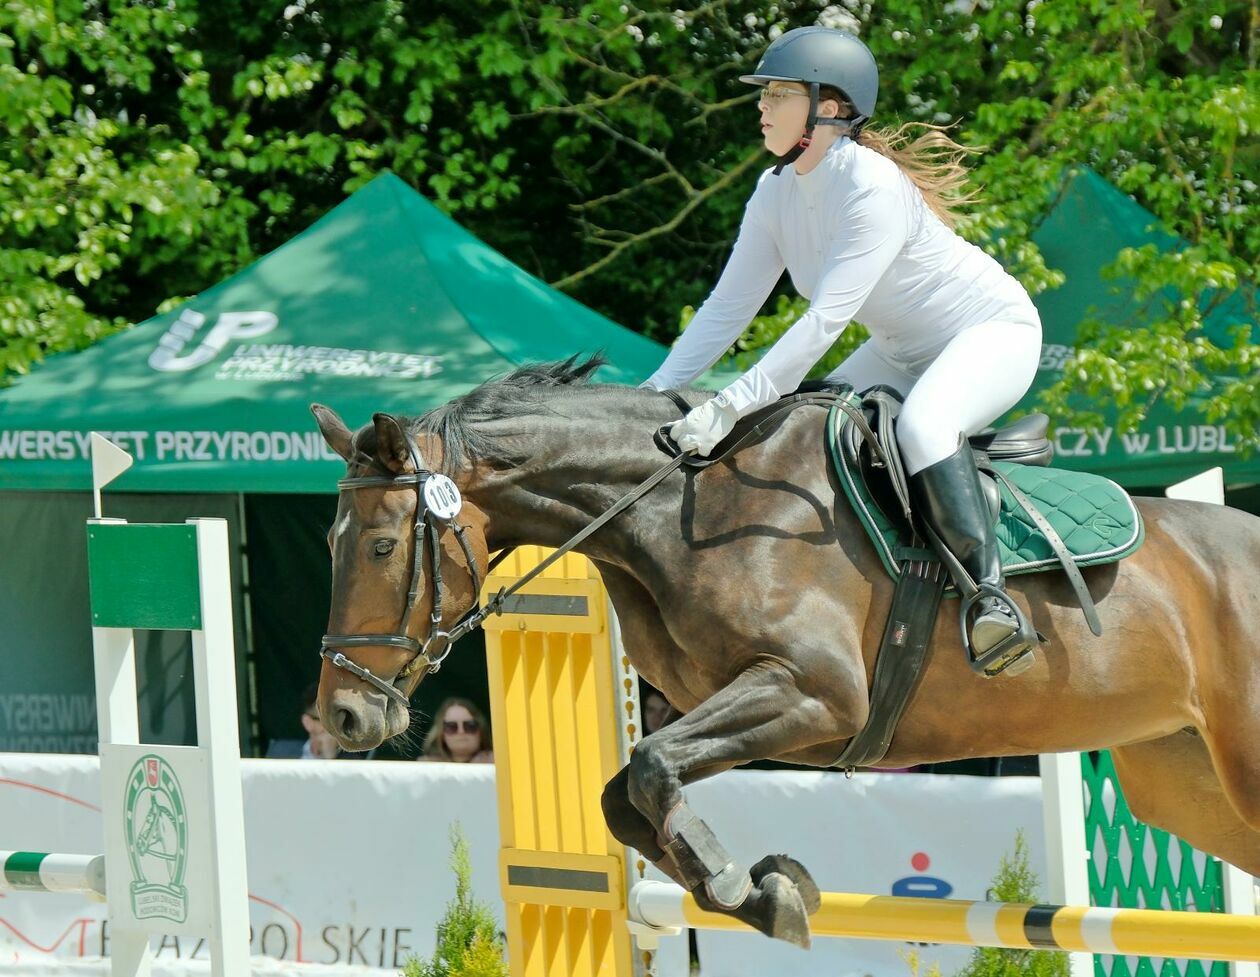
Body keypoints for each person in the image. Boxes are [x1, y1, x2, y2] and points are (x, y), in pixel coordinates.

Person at [641, 26, 1043, 674]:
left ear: (828, 107)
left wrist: (727, 404)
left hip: (990, 334)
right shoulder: (775, 191)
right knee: (802, 425)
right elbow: (725, 310)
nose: (761, 106)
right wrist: (651, 396)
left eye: (777, 93)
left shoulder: (872, 188)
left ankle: (989, 596)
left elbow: (825, 320)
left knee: (924, 425)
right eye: (763, 94)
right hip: (900, 351)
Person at [418, 697, 494, 763]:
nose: (461, 731)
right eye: (451, 727)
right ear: (441, 734)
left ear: (481, 730)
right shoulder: (426, 767)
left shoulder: (499, 762)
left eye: (470, 726)